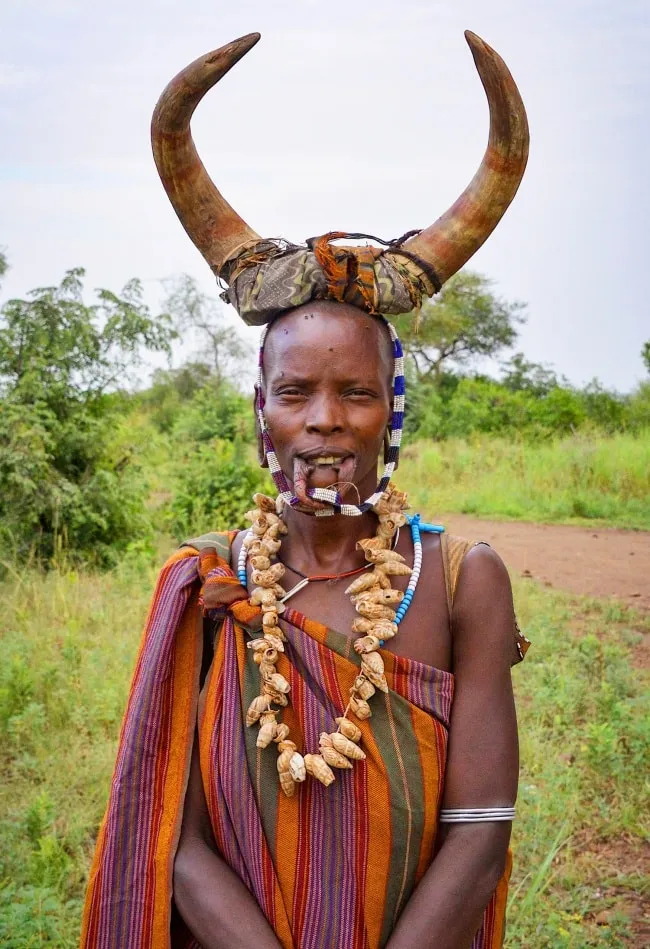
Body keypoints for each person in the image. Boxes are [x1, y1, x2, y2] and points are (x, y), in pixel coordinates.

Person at [81, 29, 530, 949]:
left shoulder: (456, 582)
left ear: (391, 411)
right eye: (296, 392)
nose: (326, 419)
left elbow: (479, 835)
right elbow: (176, 830)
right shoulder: (210, 582)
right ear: (261, 414)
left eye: (357, 392)